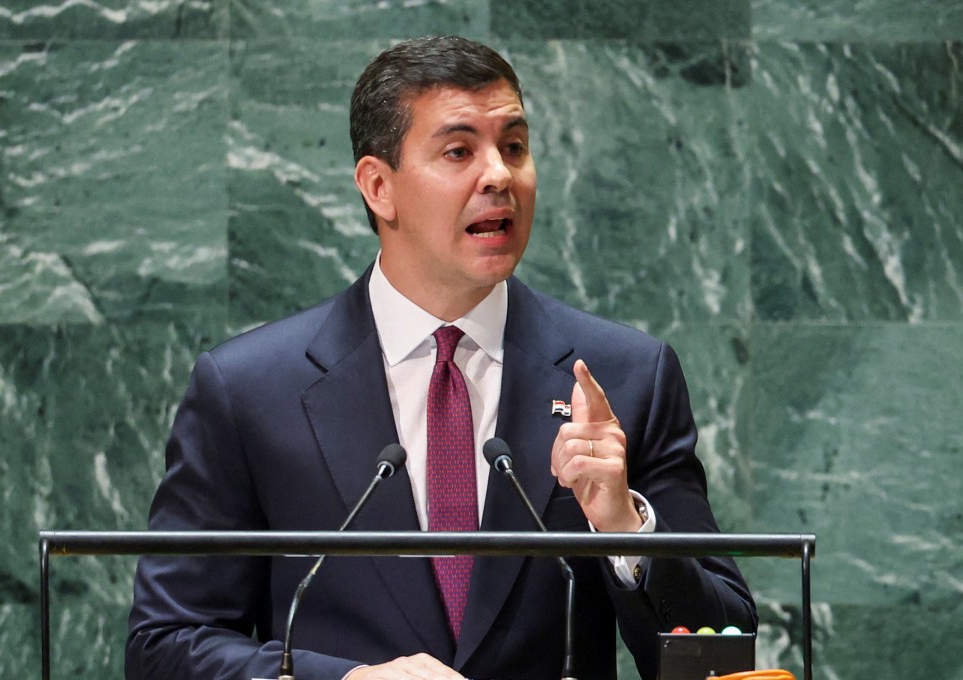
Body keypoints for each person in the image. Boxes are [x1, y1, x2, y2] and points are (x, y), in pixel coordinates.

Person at [126, 35, 756, 680]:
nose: (500, 176)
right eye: (459, 151)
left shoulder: (625, 376)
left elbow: (722, 649)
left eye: (514, 147)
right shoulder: (250, 388)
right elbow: (167, 644)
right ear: (379, 187)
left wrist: (626, 527)